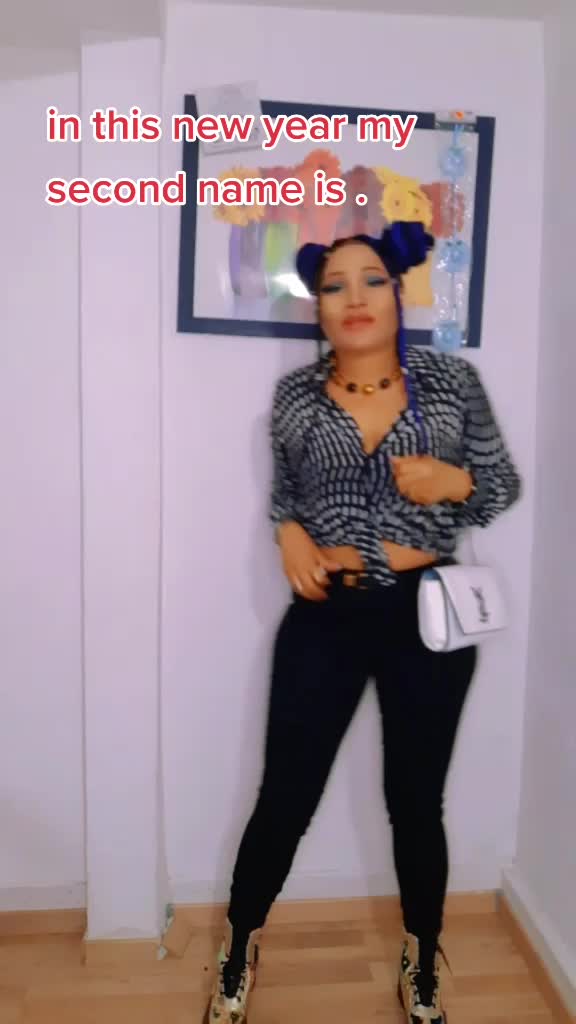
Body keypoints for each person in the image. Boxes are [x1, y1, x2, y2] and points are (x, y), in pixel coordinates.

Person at [203, 221, 521, 1024]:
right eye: (335, 285)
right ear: (318, 308)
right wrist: (287, 531)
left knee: (415, 802)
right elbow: (286, 496)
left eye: (372, 279)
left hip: (427, 617)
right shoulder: (296, 398)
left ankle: (422, 957)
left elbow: (500, 485)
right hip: (329, 615)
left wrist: (454, 482)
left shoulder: (452, 384)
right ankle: (239, 947)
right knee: (286, 796)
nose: (355, 297)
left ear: (397, 293)